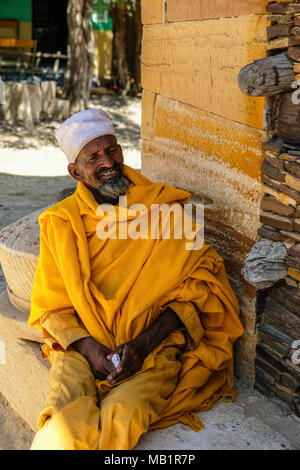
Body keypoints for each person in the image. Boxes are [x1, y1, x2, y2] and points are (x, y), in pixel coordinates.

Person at [28, 109, 244, 450]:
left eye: (112, 150)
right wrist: (89, 347)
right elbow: (52, 309)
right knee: (60, 425)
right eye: (93, 157)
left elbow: (198, 289)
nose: (108, 162)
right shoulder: (60, 223)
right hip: (82, 350)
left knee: (123, 413)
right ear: (75, 171)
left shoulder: (163, 207)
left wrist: (142, 344)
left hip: (153, 348)